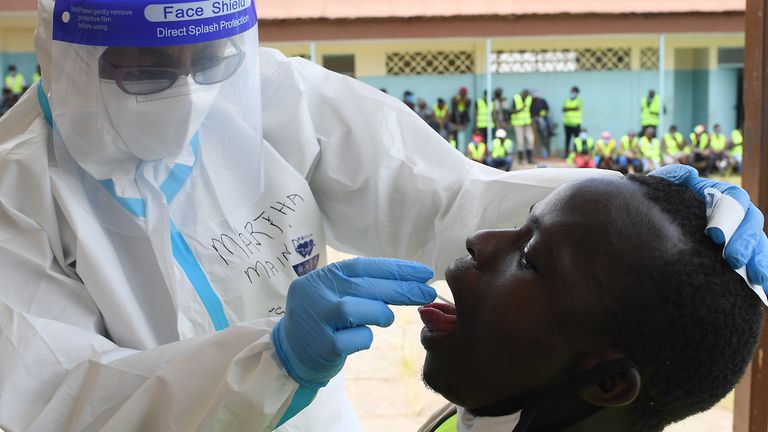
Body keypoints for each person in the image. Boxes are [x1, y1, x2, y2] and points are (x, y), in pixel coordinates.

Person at [3, 0, 767, 430]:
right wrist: (269, 365)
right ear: (65, 48)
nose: (188, 93)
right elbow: (51, 406)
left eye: (208, 59)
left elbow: (445, 198)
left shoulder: (272, 97)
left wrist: (647, 215)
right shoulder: (18, 188)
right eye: (142, 69)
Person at [418, 171, 766, 432]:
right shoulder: (469, 419)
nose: (478, 239)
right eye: (523, 223)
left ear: (605, 383)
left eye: (528, 258)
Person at [510, 89, 535, 165]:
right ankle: (520, 159)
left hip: (527, 123)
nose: (526, 96)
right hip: (518, 124)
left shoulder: (529, 99)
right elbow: (511, 110)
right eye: (524, 94)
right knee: (520, 141)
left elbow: (531, 111)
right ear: (522, 94)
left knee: (531, 140)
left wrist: (532, 120)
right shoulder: (516, 98)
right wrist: (519, 110)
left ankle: (529, 158)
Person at [531, 91, 554, 159]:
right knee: (538, 139)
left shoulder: (543, 101)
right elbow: (532, 112)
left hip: (544, 118)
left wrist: (543, 113)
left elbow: (547, 109)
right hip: (536, 120)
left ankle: (550, 131)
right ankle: (538, 153)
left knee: (546, 137)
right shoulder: (532, 103)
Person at [562, 86, 583, 158]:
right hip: (567, 123)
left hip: (576, 123)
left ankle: (576, 154)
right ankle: (566, 154)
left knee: (577, 140)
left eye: (574, 92)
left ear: (577, 93)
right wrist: (570, 108)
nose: (572, 93)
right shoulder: (567, 100)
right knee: (567, 140)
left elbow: (577, 108)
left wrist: (568, 108)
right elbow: (563, 109)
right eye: (571, 92)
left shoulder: (579, 100)